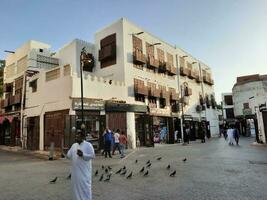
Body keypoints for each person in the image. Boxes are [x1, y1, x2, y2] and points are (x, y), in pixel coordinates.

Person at [67, 130, 95, 200]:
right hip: (75, 173)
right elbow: (69, 155)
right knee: (76, 189)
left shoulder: (88, 145)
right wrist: (66, 154)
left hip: (84, 173)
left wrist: (83, 155)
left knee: (85, 188)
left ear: (83, 137)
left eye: (78, 137)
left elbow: (92, 156)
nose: (76, 138)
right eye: (76, 136)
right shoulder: (74, 145)